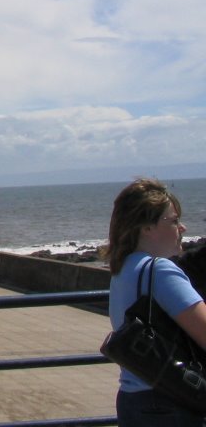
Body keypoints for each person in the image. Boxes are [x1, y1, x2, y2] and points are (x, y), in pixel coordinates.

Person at [107, 178, 206, 426]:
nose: (182, 228)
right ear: (146, 227)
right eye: (172, 221)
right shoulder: (160, 271)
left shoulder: (124, 269)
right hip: (169, 402)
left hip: (133, 400)